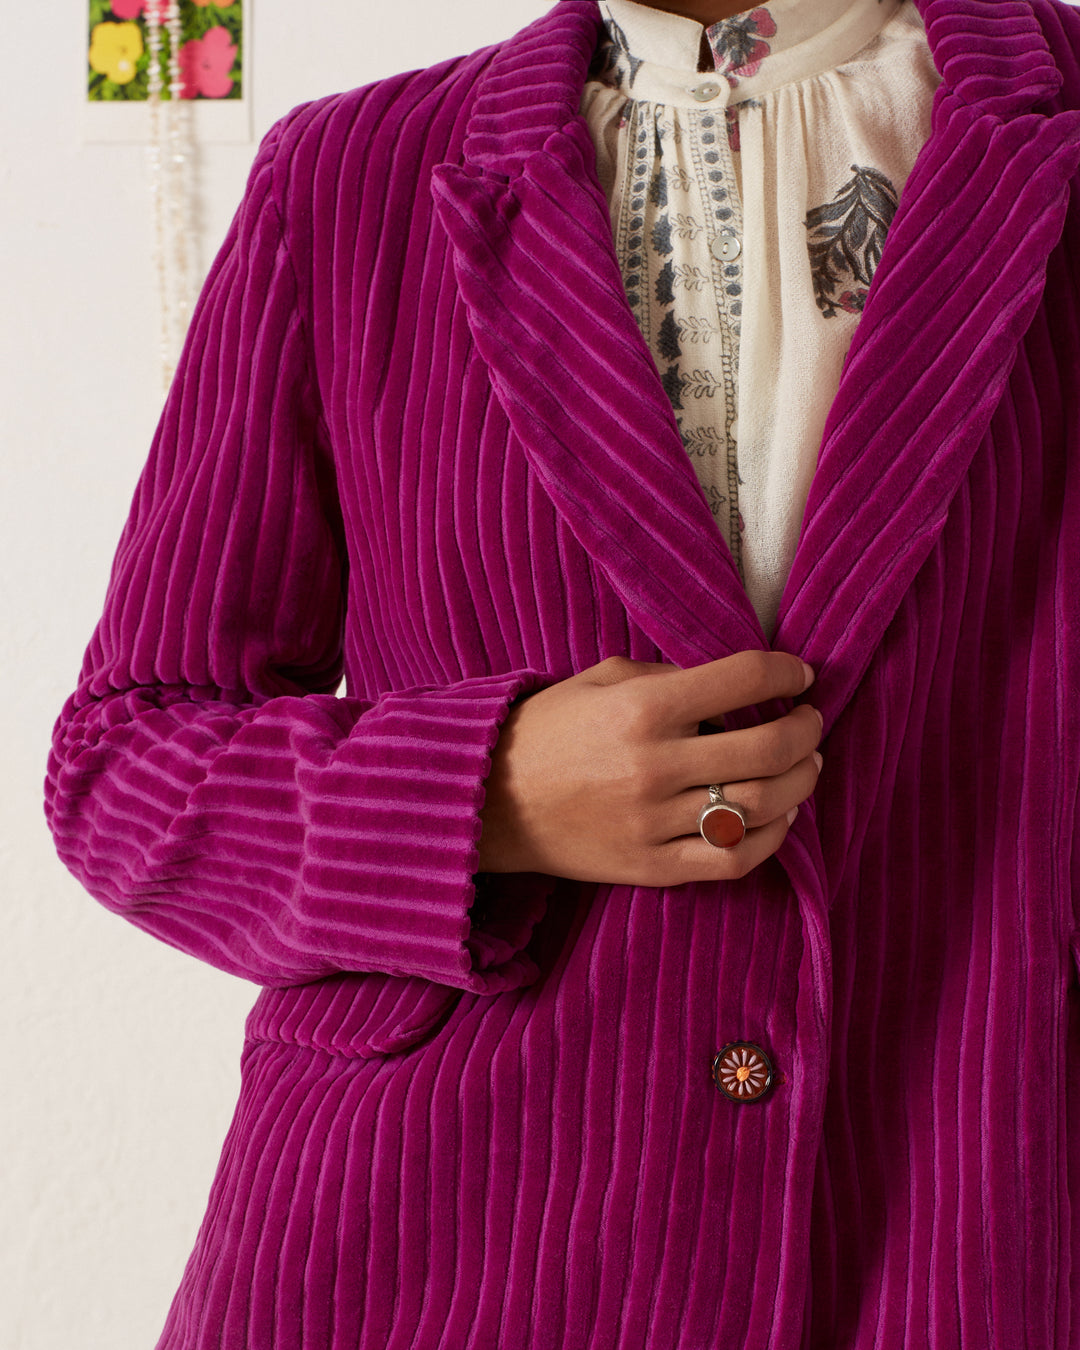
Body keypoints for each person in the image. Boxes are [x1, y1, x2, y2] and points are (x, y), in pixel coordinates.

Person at [44, 0, 1080, 1344]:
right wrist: (484, 795)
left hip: (972, 1222)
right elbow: (120, 765)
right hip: (442, 1253)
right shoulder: (348, 180)